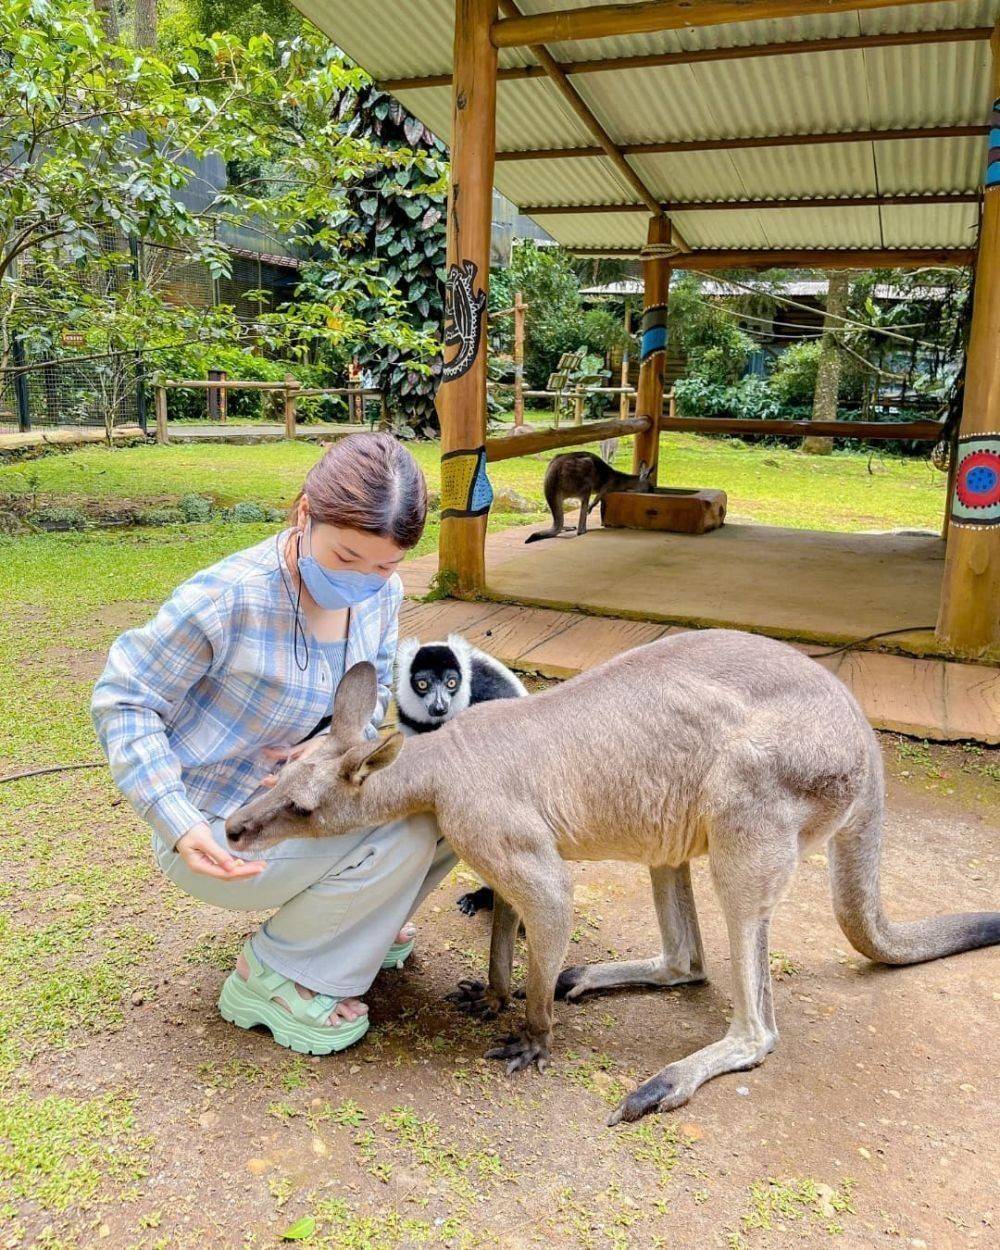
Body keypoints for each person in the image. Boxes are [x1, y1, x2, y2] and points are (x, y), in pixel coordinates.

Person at [92, 433, 455, 1055]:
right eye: (346, 558)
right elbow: (124, 700)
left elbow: (373, 688)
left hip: (309, 801)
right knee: (416, 830)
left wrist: (322, 742)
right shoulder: (229, 597)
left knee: (454, 810)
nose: (366, 581)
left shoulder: (379, 594)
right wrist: (178, 823)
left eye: (386, 565)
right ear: (305, 513)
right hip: (221, 829)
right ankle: (277, 975)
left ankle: (355, 924)